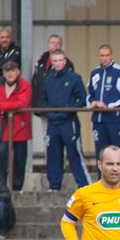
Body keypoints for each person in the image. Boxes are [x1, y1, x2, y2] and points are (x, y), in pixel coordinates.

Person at [41, 50, 91, 191]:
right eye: (55, 60)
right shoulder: (48, 79)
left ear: (65, 61)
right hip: (52, 123)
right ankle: (54, 186)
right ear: (52, 62)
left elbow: (82, 98)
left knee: (74, 154)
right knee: (53, 155)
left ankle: (84, 186)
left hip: (69, 123)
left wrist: (68, 109)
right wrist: (49, 112)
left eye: (60, 60)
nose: (58, 63)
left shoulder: (74, 78)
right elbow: (43, 100)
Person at [0, 60, 32, 190]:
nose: (10, 74)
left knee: (19, 159)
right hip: (4, 128)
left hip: (20, 127)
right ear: (3, 73)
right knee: (0, 155)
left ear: (18, 72)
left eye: (12, 71)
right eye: (7, 71)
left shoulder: (25, 85)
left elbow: (22, 103)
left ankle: (17, 187)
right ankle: (0, 186)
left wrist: (0, 106)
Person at [86, 45, 120, 179]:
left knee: (119, 153)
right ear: (98, 56)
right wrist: (92, 104)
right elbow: (88, 93)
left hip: (114, 120)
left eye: (107, 55)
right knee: (101, 155)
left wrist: (108, 106)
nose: (104, 58)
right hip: (98, 121)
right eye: (101, 55)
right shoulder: (95, 73)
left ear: (111, 55)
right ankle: (102, 184)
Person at [30, 34, 73, 112]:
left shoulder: (67, 64)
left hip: (58, 108)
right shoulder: (40, 62)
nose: (55, 45)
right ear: (48, 45)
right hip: (41, 105)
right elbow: (35, 82)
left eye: (58, 43)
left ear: (61, 46)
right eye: (53, 42)